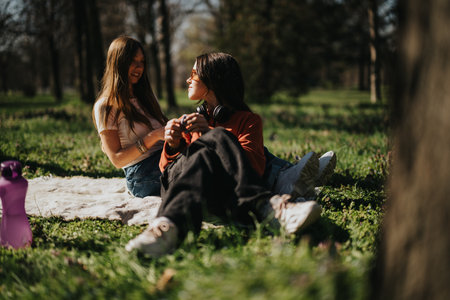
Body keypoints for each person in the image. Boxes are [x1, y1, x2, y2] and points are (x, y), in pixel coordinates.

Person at [125, 52, 335, 257]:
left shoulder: (248, 121)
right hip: (179, 185)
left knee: (215, 139)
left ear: (212, 80)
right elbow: (165, 170)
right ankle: (267, 206)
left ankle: (167, 228)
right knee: (214, 139)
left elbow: (253, 168)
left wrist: (210, 134)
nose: (188, 79)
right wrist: (172, 144)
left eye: (193, 74)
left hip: (218, 194)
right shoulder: (190, 120)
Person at [92, 36, 167, 197]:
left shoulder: (146, 97)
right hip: (141, 174)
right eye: (133, 61)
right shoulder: (106, 105)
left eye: (142, 61)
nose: (139, 67)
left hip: (165, 156)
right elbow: (117, 159)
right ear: (118, 63)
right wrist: (153, 136)